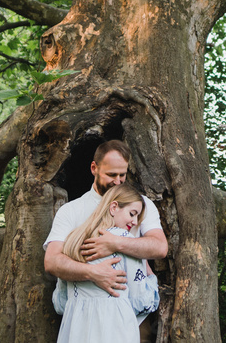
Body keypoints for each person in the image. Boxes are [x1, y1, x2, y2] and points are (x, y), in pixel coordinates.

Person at [44, 140, 167, 341]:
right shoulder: (71, 210)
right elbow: (52, 261)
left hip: (132, 316)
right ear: (94, 168)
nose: (118, 181)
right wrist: (93, 273)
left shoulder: (139, 204)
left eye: (122, 175)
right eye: (111, 175)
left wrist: (115, 243)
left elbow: (160, 247)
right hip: (83, 317)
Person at [54, 183, 149, 343]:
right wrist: (151, 278)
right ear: (113, 207)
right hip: (115, 326)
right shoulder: (124, 241)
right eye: (132, 214)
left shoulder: (74, 240)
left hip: (76, 326)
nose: (134, 222)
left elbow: (60, 301)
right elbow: (140, 299)